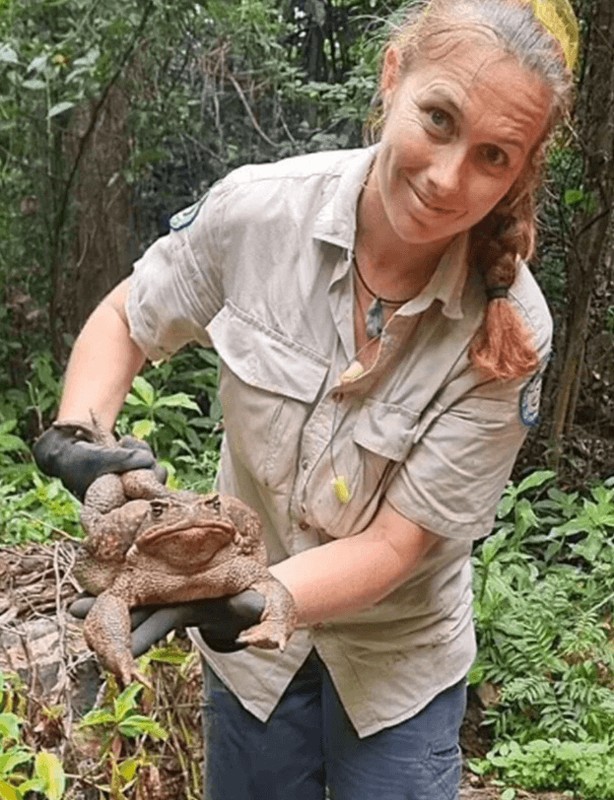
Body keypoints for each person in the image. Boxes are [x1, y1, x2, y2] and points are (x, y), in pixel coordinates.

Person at [33, 0, 578, 797]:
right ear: (394, 78)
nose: (447, 177)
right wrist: (84, 426)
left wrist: (264, 596)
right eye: (437, 117)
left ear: (520, 170)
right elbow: (129, 316)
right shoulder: (260, 212)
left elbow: (399, 545)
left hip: (396, 664)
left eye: (494, 156)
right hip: (251, 662)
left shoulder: (511, 328)